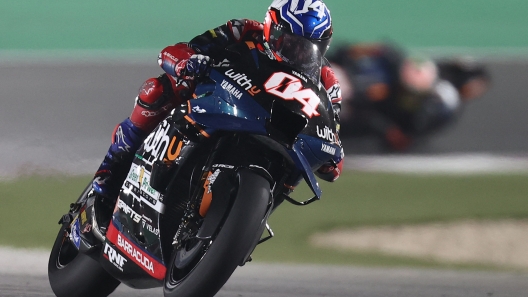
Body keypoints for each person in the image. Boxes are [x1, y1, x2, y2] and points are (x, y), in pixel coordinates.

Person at [92, 0, 344, 212]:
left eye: (308, 48)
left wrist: (331, 159)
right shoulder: (243, 31)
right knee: (158, 89)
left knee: (300, 165)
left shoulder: (328, 82)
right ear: (272, 29)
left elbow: (331, 135)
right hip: (224, 103)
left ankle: (249, 220)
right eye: (290, 43)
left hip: (277, 133)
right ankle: (114, 163)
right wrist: (188, 62)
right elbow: (178, 51)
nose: (298, 54)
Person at [327, 42, 491, 152]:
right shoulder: (391, 60)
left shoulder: (437, 103)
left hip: (355, 108)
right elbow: (368, 50)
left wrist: (391, 131)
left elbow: (404, 133)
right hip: (345, 78)